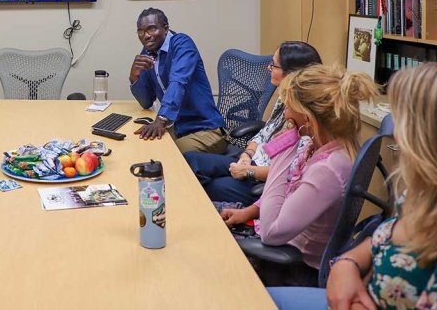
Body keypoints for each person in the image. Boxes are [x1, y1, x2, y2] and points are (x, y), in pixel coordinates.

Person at [268, 63, 437, 309]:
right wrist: (348, 263)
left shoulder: (328, 167)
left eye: (404, 123)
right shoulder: (421, 193)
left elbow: (273, 232)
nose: (399, 137)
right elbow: (385, 237)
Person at [221, 64, 379, 286]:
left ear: (307, 119)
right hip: (279, 236)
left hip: (294, 266)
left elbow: (271, 233)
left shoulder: (328, 170)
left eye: (288, 107)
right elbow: (289, 192)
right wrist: (249, 212)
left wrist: (283, 151)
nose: (284, 112)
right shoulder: (318, 146)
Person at [184, 41, 322, 205]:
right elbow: (264, 133)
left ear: (291, 73)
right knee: (189, 161)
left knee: (203, 186)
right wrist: (247, 154)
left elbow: (291, 173)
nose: (268, 68)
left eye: (274, 65)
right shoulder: (284, 99)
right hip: (252, 162)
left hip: (265, 182)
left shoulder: (307, 120)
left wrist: (249, 171)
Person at [130, 7, 226, 153]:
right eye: (141, 31)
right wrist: (134, 75)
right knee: (141, 147)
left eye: (151, 29)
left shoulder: (182, 44)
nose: (146, 36)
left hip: (205, 130)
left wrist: (160, 120)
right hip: (178, 129)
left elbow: (178, 82)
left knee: (168, 157)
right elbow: (146, 101)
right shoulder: (149, 53)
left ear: (166, 28)